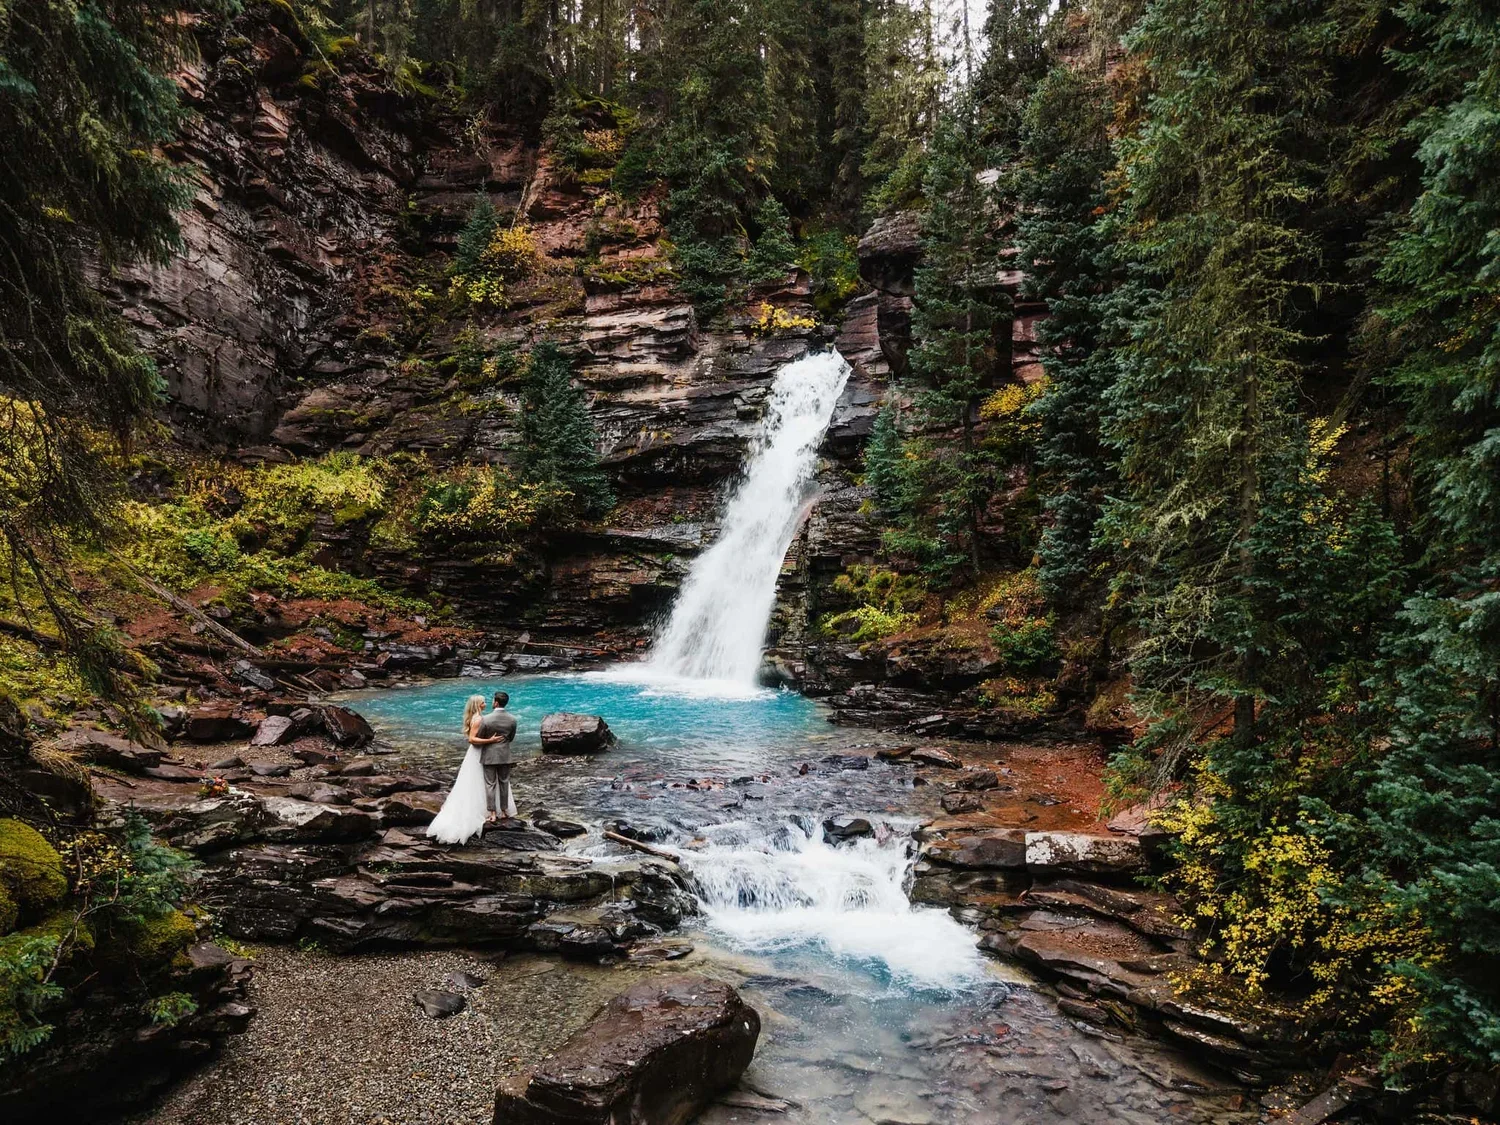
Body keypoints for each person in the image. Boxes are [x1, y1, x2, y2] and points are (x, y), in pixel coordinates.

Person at [425, 694, 505, 845]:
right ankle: (481, 810)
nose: (485, 704)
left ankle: (486, 808)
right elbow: (472, 739)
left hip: (476, 753)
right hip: (478, 753)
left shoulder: (477, 717)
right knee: (478, 781)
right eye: (483, 702)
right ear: (477, 704)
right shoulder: (478, 719)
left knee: (476, 781)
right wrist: (491, 740)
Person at [474, 691, 518, 822]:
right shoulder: (512, 719)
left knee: (490, 784)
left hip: (489, 756)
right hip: (505, 755)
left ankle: (492, 813)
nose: (492, 702)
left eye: (493, 700)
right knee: (504, 782)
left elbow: (480, 736)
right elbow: (511, 738)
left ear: (496, 702)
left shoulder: (486, 719)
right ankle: (504, 811)